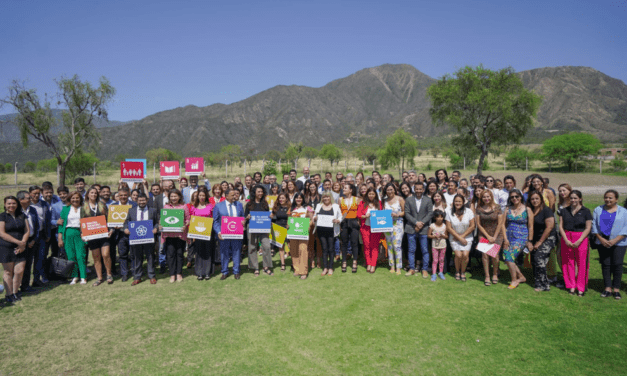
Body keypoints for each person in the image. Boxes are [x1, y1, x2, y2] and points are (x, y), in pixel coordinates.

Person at [555, 189, 592, 296]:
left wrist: (579, 240)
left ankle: (581, 287)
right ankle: (571, 285)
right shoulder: (564, 210)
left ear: (580, 199)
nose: (573, 200)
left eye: (575, 198)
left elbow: (588, 227)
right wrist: (566, 239)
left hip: (581, 238)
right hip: (566, 238)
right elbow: (561, 226)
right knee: (568, 263)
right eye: (571, 198)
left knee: (582, 264)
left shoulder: (586, 211)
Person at [593, 190, 627, 299]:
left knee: (617, 264)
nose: (608, 199)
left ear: (616, 199)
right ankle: (607, 288)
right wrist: (601, 239)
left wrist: (615, 240)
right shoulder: (598, 209)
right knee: (605, 264)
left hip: (619, 242)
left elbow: (626, 227)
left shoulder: (624, 211)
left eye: (611, 198)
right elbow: (594, 226)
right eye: (606, 197)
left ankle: (616, 289)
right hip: (602, 241)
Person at [123, 193, 159, 285]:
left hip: (149, 238)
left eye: (143, 200)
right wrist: (126, 229)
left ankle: (151, 276)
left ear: (147, 200)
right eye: (140, 200)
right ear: (136, 201)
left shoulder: (153, 210)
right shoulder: (131, 211)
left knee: (150, 257)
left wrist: (156, 228)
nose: (142, 202)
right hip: (136, 238)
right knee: (137, 257)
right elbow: (126, 222)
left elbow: (157, 222)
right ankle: (137, 277)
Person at [503, 189, 534, 289]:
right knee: (507, 257)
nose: (514, 198)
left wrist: (529, 240)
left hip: (521, 237)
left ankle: (514, 280)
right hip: (509, 236)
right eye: (512, 197)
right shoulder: (507, 209)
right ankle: (521, 276)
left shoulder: (527, 209)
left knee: (509, 256)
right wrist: (505, 239)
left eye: (517, 196)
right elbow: (503, 225)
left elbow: (530, 226)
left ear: (521, 197)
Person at [0, 196, 29, 303]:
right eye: (9, 203)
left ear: (17, 205)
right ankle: (9, 294)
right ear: (5, 204)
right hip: (6, 247)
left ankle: (15, 292)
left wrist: (23, 244)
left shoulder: (22, 215)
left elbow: (27, 231)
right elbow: (2, 233)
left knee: (19, 271)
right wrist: (19, 243)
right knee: (8, 272)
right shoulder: (2, 216)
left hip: (21, 247)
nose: (11, 205)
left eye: (13, 203)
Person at [83, 187, 114, 286]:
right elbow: (81, 221)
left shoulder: (102, 205)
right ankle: (99, 277)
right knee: (96, 258)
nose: (94, 195)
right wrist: (82, 233)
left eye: (95, 193)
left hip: (104, 234)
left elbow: (109, 218)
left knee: (105, 255)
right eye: (91, 193)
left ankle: (109, 274)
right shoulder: (83, 207)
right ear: (88, 194)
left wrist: (111, 229)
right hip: (92, 235)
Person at [529, 190, 557, 292]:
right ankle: (537, 281)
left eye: (537, 198)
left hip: (548, 238)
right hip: (536, 238)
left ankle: (544, 284)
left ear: (541, 199)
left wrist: (540, 242)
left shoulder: (546, 210)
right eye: (532, 199)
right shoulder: (530, 210)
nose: (534, 201)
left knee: (539, 257)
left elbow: (549, 227)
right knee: (533, 259)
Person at [213, 188, 244, 280]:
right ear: (226, 196)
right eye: (233, 195)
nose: (235, 196)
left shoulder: (239, 205)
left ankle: (236, 271)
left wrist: (243, 222)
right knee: (224, 253)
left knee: (236, 252)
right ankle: (225, 271)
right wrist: (218, 231)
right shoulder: (218, 206)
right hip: (224, 235)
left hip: (236, 234)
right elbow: (215, 221)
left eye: (235, 195)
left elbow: (242, 217)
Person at [475, 190, 504, 286]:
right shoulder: (479, 208)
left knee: (494, 256)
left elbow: (500, 223)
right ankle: (487, 276)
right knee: (485, 255)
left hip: (497, 234)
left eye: (488, 196)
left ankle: (495, 274)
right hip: (483, 234)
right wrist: (487, 236)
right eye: (484, 197)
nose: (486, 198)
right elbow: (478, 224)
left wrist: (494, 237)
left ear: (491, 197)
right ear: (481, 198)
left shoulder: (497, 207)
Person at [58, 192, 88, 285]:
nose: (75, 200)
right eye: (73, 198)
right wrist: (60, 238)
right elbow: (61, 224)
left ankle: (83, 276)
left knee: (81, 255)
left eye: (77, 198)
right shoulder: (65, 209)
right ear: (69, 199)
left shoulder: (84, 209)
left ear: (80, 199)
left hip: (80, 233)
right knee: (71, 256)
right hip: (68, 233)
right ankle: (74, 276)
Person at [161, 189, 190, 283]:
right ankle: (172, 274)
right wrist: (161, 224)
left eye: (175, 196)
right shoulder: (166, 206)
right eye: (171, 196)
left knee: (180, 254)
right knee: (170, 255)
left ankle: (179, 273)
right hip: (169, 235)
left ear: (179, 197)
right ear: (169, 197)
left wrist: (185, 226)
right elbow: (162, 220)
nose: (173, 198)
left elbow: (188, 219)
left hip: (180, 235)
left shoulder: (184, 206)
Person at [404, 183, 433, 277]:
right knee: (411, 250)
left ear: (423, 189)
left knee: (424, 250)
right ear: (414, 189)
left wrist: (421, 223)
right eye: (416, 189)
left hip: (424, 229)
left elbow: (429, 213)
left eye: (420, 189)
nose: (418, 191)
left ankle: (424, 269)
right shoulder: (408, 200)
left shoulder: (428, 200)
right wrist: (416, 222)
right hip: (411, 228)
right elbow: (407, 213)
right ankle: (412, 268)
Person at [245, 185, 273, 276]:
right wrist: (247, 217)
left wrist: (270, 217)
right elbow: (245, 217)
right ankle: (255, 267)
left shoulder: (265, 204)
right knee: (252, 247)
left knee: (267, 246)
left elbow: (267, 216)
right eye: (258, 192)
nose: (260, 193)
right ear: (254, 193)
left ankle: (266, 267)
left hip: (263, 228)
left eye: (261, 192)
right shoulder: (249, 204)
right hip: (252, 227)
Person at [446, 195, 475, 282]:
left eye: (459, 201)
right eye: (456, 201)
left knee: (465, 255)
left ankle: (463, 272)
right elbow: (448, 227)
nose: (457, 203)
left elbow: (472, 226)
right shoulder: (449, 212)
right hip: (454, 237)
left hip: (467, 237)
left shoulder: (469, 211)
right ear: (453, 202)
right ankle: (457, 271)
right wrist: (458, 237)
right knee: (458, 255)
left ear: (463, 202)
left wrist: (462, 237)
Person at [313, 191, 341, 276]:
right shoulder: (318, 206)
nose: (326, 199)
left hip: (332, 231)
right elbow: (314, 216)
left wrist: (338, 220)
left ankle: (331, 268)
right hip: (321, 231)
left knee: (331, 249)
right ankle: (325, 268)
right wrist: (315, 218)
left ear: (330, 198)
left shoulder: (335, 206)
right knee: (324, 249)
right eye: (324, 197)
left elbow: (340, 217)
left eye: (327, 197)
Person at [190, 187, 215, 280]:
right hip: (197, 233)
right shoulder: (193, 207)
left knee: (207, 252)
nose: (201, 197)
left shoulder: (210, 206)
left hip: (208, 232)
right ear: (197, 196)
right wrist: (192, 235)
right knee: (199, 253)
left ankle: (207, 272)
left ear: (206, 196)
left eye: (203, 195)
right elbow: (192, 220)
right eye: (200, 195)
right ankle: (199, 272)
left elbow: (213, 219)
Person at [28, 185, 51, 286]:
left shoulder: (44, 204)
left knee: (40, 257)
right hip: (30, 236)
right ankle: (25, 282)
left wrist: (48, 234)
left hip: (41, 234)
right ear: (30, 194)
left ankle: (37, 279)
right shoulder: (27, 205)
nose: (36, 195)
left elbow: (47, 220)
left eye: (38, 193)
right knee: (29, 259)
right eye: (34, 193)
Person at [17, 191, 39, 293]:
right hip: (20, 242)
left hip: (31, 241)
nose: (30, 200)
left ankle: (25, 286)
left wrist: (33, 239)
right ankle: (15, 287)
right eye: (28, 198)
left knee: (28, 264)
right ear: (21, 200)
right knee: (19, 266)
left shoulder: (33, 210)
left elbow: (37, 226)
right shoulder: (16, 212)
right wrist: (23, 242)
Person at [357, 187, 383, 274]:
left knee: (375, 246)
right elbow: (359, 214)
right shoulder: (363, 203)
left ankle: (373, 264)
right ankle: (368, 263)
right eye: (369, 194)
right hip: (365, 227)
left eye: (372, 194)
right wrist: (364, 216)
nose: (371, 195)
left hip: (376, 228)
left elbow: (382, 214)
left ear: (375, 194)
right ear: (367, 194)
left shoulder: (379, 203)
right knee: (367, 246)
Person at [381, 183, 405, 275]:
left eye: (391, 189)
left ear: (394, 190)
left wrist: (398, 214)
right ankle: (392, 265)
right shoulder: (384, 200)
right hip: (387, 225)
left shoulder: (400, 199)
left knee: (397, 245)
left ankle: (398, 267)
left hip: (397, 224)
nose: (389, 191)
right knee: (389, 245)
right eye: (388, 190)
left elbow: (404, 212)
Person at [338, 183, 360, 273]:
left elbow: (359, 211)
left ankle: (355, 261)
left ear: (351, 190)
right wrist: (339, 224)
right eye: (343, 188)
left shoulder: (357, 199)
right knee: (344, 243)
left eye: (345, 188)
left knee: (354, 242)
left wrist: (358, 221)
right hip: (344, 222)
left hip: (354, 222)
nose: (343, 189)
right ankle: (344, 262)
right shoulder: (340, 199)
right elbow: (338, 212)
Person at [289, 193, 310, 279]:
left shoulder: (307, 208)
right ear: (294, 199)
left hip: (303, 233)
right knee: (294, 251)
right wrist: (288, 225)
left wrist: (309, 225)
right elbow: (289, 220)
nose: (298, 199)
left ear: (303, 199)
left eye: (300, 198)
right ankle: (296, 269)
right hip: (293, 233)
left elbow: (311, 219)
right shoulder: (291, 209)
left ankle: (303, 271)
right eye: (297, 198)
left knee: (303, 250)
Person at [304, 181, 322, 269]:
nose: (312, 189)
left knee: (318, 242)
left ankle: (318, 259)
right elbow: (303, 209)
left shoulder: (320, 197)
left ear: (316, 188)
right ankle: (312, 260)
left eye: (314, 187)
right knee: (310, 242)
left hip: (319, 222)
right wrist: (309, 215)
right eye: (310, 187)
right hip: (308, 222)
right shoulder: (305, 198)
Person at [271, 193, 291, 272]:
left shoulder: (290, 207)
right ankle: (283, 264)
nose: (281, 200)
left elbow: (291, 218)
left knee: (290, 246)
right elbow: (271, 216)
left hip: (288, 228)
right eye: (280, 198)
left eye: (283, 198)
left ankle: (293, 263)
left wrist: (289, 224)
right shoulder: (276, 207)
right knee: (281, 247)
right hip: (278, 228)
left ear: (286, 198)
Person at [427, 210, 447, 282]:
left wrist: (442, 235)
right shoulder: (432, 225)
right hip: (434, 246)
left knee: (441, 260)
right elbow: (429, 235)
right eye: (438, 217)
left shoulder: (445, 226)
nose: (440, 219)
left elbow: (447, 236)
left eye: (441, 217)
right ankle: (434, 274)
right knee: (435, 260)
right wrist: (434, 236)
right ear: (435, 217)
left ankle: (440, 272)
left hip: (443, 245)